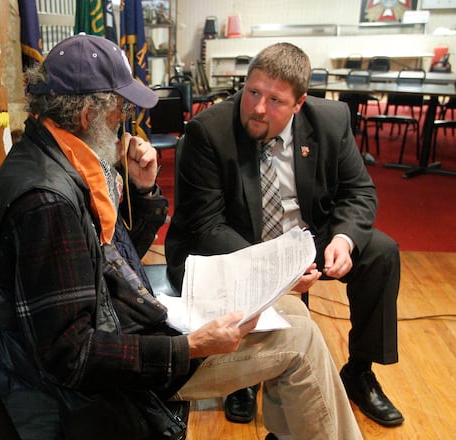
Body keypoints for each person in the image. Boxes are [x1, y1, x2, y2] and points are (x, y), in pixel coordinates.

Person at [0, 34, 362, 440]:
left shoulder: (54, 157)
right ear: (88, 114)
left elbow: (109, 266)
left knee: (291, 311)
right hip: (90, 390)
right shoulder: (47, 202)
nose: (124, 120)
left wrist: (142, 191)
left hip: (124, 334)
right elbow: (70, 357)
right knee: (299, 340)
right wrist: (189, 347)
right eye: (120, 108)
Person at [165, 42, 403, 428]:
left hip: (305, 238)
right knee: (234, 267)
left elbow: (359, 191)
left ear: (299, 102)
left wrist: (343, 239)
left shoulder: (330, 120)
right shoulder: (208, 131)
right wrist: (276, 272)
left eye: (275, 100)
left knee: (380, 251)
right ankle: (243, 379)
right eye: (253, 92)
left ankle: (359, 371)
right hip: (237, 243)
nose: (258, 107)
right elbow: (207, 228)